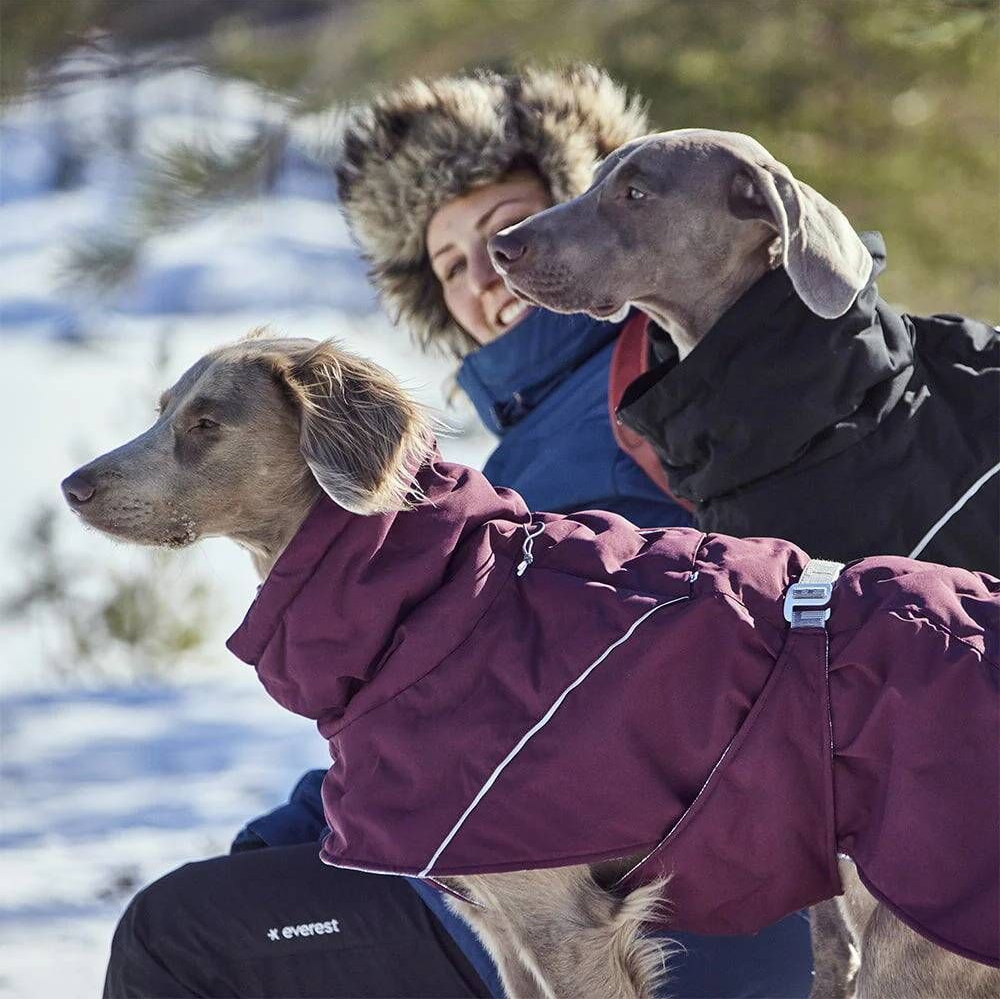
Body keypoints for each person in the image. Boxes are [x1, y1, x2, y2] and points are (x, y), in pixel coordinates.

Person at [105, 65, 812, 998]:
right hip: (604, 882)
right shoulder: (554, 433)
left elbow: (506, 724)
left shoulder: (632, 416)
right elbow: (445, 707)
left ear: (593, 221)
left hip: (628, 917)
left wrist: (302, 834)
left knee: (178, 934)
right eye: (448, 264)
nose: (487, 272)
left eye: (508, 226)